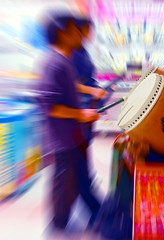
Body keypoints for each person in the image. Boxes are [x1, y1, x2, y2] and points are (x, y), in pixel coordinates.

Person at [38, 11, 102, 232]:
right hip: (61, 138)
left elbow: (67, 91)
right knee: (64, 180)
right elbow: (50, 105)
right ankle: (58, 225)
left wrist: (84, 108)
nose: (81, 35)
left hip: (71, 135)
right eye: (75, 31)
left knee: (72, 178)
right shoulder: (54, 62)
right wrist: (81, 114)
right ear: (61, 34)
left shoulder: (63, 61)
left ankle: (64, 219)